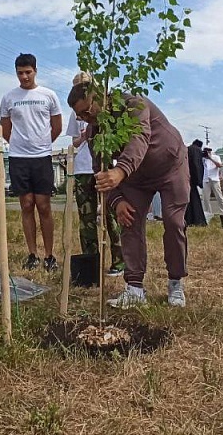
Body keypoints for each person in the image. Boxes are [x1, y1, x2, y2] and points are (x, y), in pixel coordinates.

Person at [68, 81, 189, 309]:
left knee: (174, 222)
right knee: (129, 220)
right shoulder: (95, 131)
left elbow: (139, 138)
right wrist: (117, 200)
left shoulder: (133, 103)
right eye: (79, 115)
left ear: (102, 98)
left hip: (170, 166)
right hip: (136, 176)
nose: (85, 118)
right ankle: (134, 289)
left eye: (87, 111)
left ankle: (175, 282)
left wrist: (120, 170)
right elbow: (99, 170)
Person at [0, 53, 63, 271]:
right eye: (20, 73)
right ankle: (32, 254)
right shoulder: (9, 98)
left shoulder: (48, 95)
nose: (24, 77)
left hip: (42, 157)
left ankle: (49, 255)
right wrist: (19, 145)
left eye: (28, 72)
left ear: (35, 70)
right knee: (26, 205)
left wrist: (42, 143)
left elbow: (57, 126)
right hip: (19, 158)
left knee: (43, 206)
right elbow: (5, 129)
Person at [65, 72, 124, 275]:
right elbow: (73, 142)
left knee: (110, 214)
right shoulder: (76, 112)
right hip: (83, 168)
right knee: (87, 218)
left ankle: (119, 261)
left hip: (104, 167)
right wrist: (83, 136)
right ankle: (91, 265)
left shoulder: (106, 110)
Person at [184, 139, 207, 227]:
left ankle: (187, 219)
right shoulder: (197, 150)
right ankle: (197, 220)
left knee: (187, 200)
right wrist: (199, 181)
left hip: (184, 177)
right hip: (192, 179)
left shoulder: (187, 149)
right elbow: (197, 165)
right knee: (194, 200)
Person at [201, 147, 223, 218]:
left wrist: (210, 158)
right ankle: (207, 213)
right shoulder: (203, 159)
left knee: (219, 196)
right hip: (205, 179)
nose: (206, 153)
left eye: (208, 151)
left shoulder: (216, 157)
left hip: (215, 179)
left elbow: (219, 165)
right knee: (205, 198)